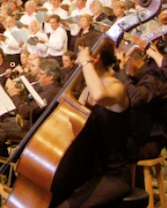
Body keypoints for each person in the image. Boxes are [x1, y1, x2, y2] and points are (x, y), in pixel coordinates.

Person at [55, 37, 131, 208]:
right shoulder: (88, 89)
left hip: (112, 174)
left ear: (95, 58)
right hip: (86, 170)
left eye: (81, 55)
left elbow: (100, 96)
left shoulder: (117, 88)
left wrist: (86, 64)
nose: (77, 62)